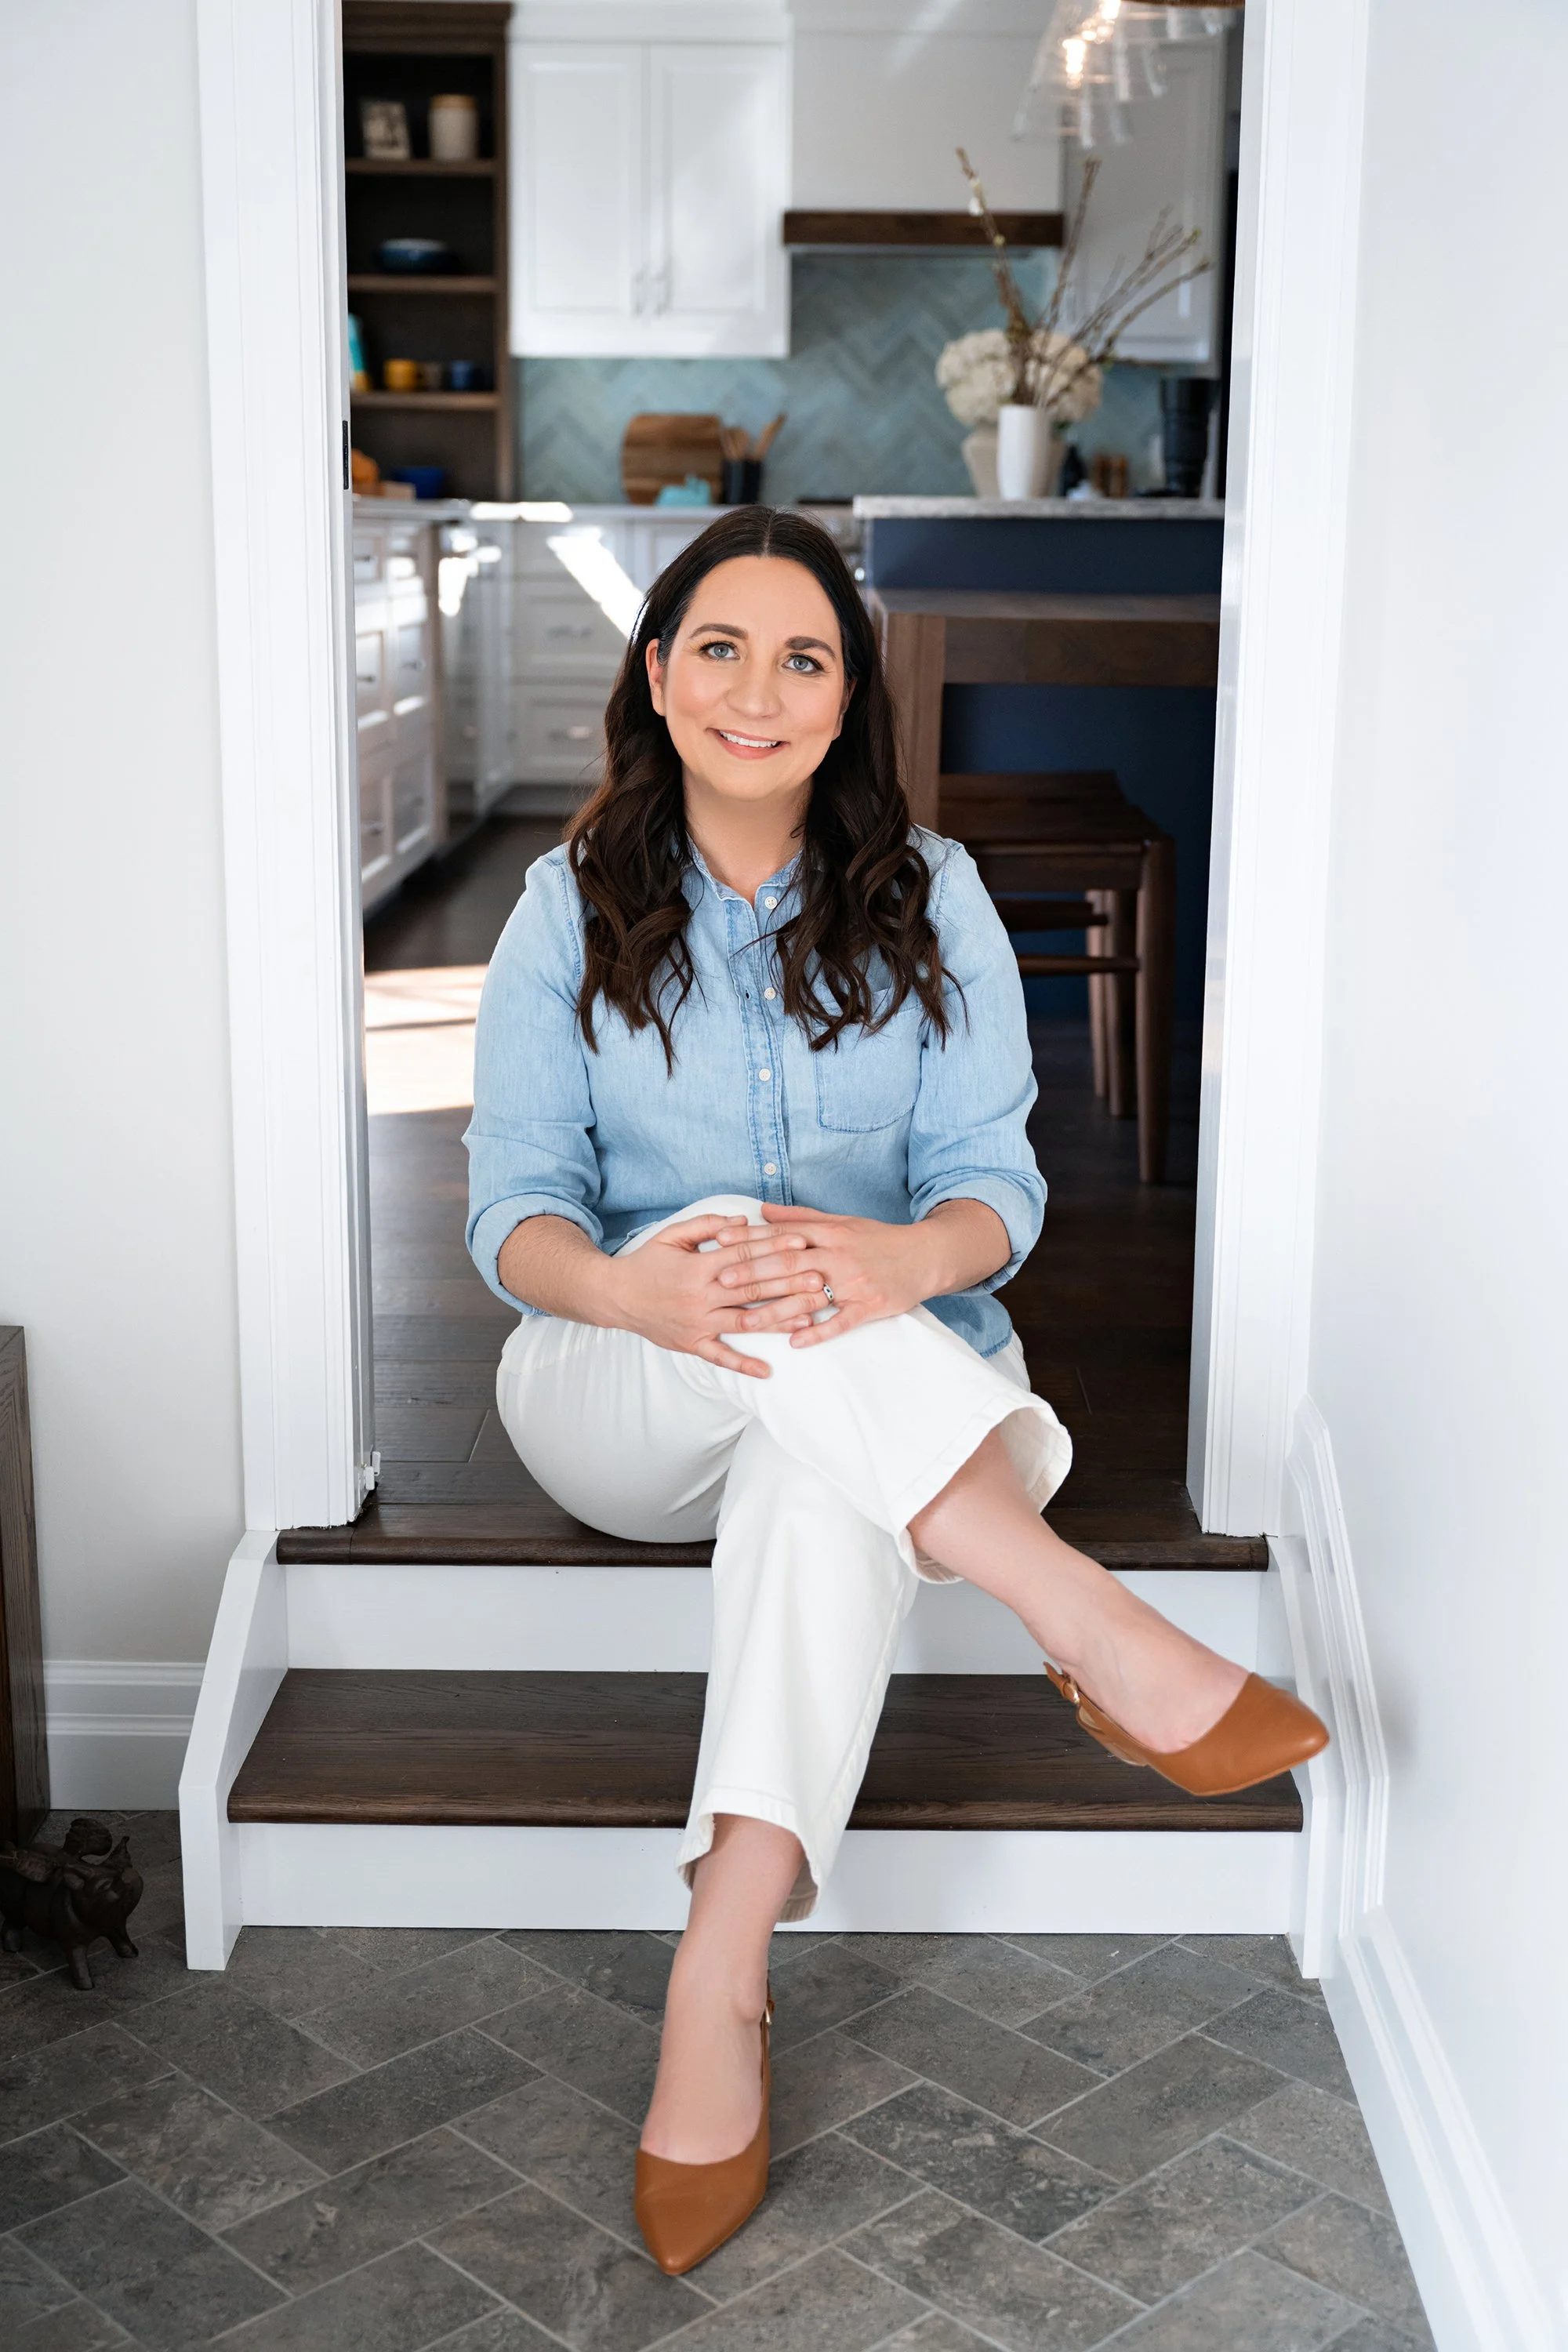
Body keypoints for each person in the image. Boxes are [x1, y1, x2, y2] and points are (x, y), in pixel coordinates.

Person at [465, 506, 1327, 2275]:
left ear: (849, 699)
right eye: (720, 648)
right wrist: (635, 1284)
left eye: (803, 659)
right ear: (657, 676)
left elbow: (994, 1195)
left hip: (863, 1403)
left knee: (812, 1462)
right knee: (726, 1238)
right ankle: (1086, 1615)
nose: (758, 692)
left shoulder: (928, 894)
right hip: (622, 1381)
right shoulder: (566, 907)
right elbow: (510, 1213)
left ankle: (720, 1974)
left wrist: (897, 1266)